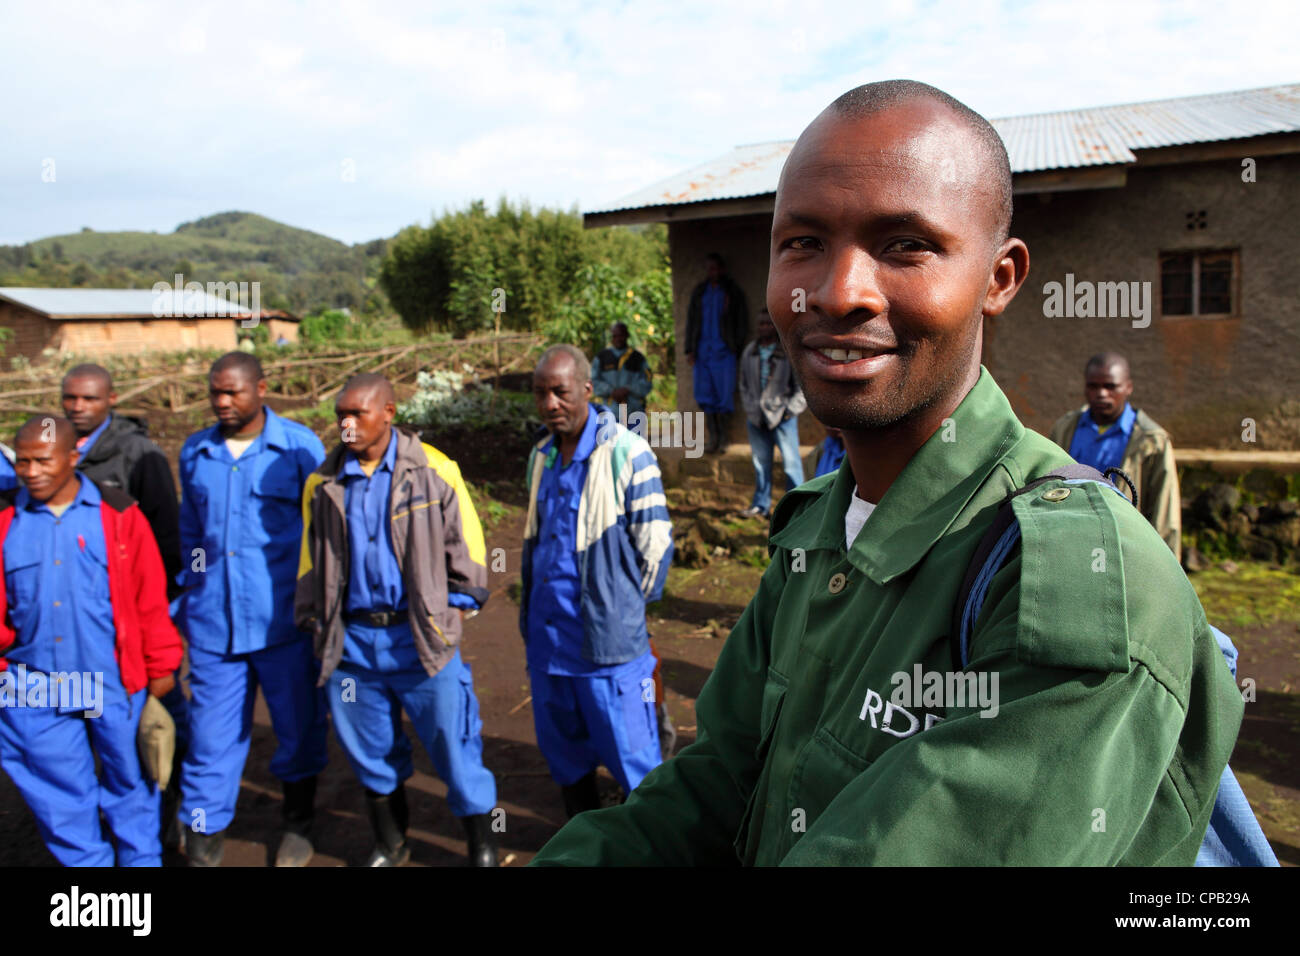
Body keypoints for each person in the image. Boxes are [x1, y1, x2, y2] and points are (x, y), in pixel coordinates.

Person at [531, 80, 1243, 866]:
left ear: (999, 278)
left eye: (905, 246)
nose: (838, 293)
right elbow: (715, 783)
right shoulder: (815, 534)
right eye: (802, 243)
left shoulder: (1076, 584)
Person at [295, 373, 499, 866]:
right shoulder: (322, 482)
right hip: (353, 645)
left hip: (420, 637)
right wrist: (313, 618)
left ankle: (483, 845)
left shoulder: (434, 470)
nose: (346, 424)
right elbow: (310, 559)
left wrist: (454, 607)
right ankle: (391, 842)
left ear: (388, 412)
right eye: (339, 414)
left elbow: (468, 550)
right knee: (369, 748)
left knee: (453, 742)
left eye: (357, 414)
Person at [0, 415, 183, 866]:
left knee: (132, 786)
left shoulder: (119, 515)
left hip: (112, 679)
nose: (31, 472)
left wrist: (160, 666)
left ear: (73, 458)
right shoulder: (6, 519)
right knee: (60, 799)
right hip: (32, 686)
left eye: (43, 461)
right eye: (22, 462)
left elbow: (148, 597)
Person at [174, 352, 329, 867]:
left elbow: (323, 531)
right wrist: (192, 588)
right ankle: (203, 842)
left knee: (298, 728)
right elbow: (192, 533)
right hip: (215, 628)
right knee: (210, 741)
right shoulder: (195, 452)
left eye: (233, 392)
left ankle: (298, 825)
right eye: (215, 392)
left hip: (284, 622)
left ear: (262, 389)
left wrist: (320, 604)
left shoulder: (299, 448)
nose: (222, 402)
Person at [523, 345, 675, 817]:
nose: (550, 404)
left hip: (608, 650)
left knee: (635, 763)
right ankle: (583, 842)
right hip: (549, 647)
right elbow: (533, 540)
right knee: (566, 759)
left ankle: (648, 849)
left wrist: (622, 607)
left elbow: (656, 546)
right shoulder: (541, 456)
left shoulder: (628, 454)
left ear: (587, 390)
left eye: (560, 392)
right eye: (541, 394)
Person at [61, 362, 189, 844]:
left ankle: (176, 797)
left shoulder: (139, 455)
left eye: (89, 399)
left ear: (110, 400)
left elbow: (167, 536)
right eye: (70, 399)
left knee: (159, 708)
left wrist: (159, 609)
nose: (78, 408)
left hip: (138, 611)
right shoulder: (56, 455)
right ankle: (122, 809)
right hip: (85, 622)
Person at [1048, 353, 1181, 560]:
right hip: (1070, 544)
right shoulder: (1065, 430)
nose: (1101, 394)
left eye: (1111, 386)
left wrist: (1166, 565)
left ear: (1128, 387)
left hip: (1125, 549)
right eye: (1093, 386)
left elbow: (1165, 509)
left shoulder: (1151, 441)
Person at [738, 309, 806, 518]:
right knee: (760, 464)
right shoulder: (750, 351)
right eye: (761, 324)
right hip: (756, 419)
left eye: (768, 324)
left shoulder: (786, 352)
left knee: (791, 464)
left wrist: (789, 411)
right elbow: (744, 385)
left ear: (775, 326)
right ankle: (761, 505)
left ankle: (798, 509)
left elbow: (802, 387)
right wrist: (751, 410)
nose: (764, 328)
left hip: (783, 418)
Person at [685, 253, 749, 453]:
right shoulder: (700, 292)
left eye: (715, 268)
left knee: (724, 395)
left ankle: (724, 439)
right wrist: (690, 348)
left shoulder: (732, 291)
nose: (712, 272)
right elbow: (691, 321)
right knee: (705, 395)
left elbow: (741, 320)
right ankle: (712, 438)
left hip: (724, 352)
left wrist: (736, 346)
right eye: (708, 268)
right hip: (703, 352)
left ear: (722, 269)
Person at [591, 322, 652, 418]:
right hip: (609, 414)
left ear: (627, 335)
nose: (618, 339)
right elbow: (594, 382)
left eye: (621, 335)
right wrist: (611, 391)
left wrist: (628, 389)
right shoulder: (601, 357)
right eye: (615, 336)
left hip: (634, 414)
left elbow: (647, 382)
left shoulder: (638, 358)